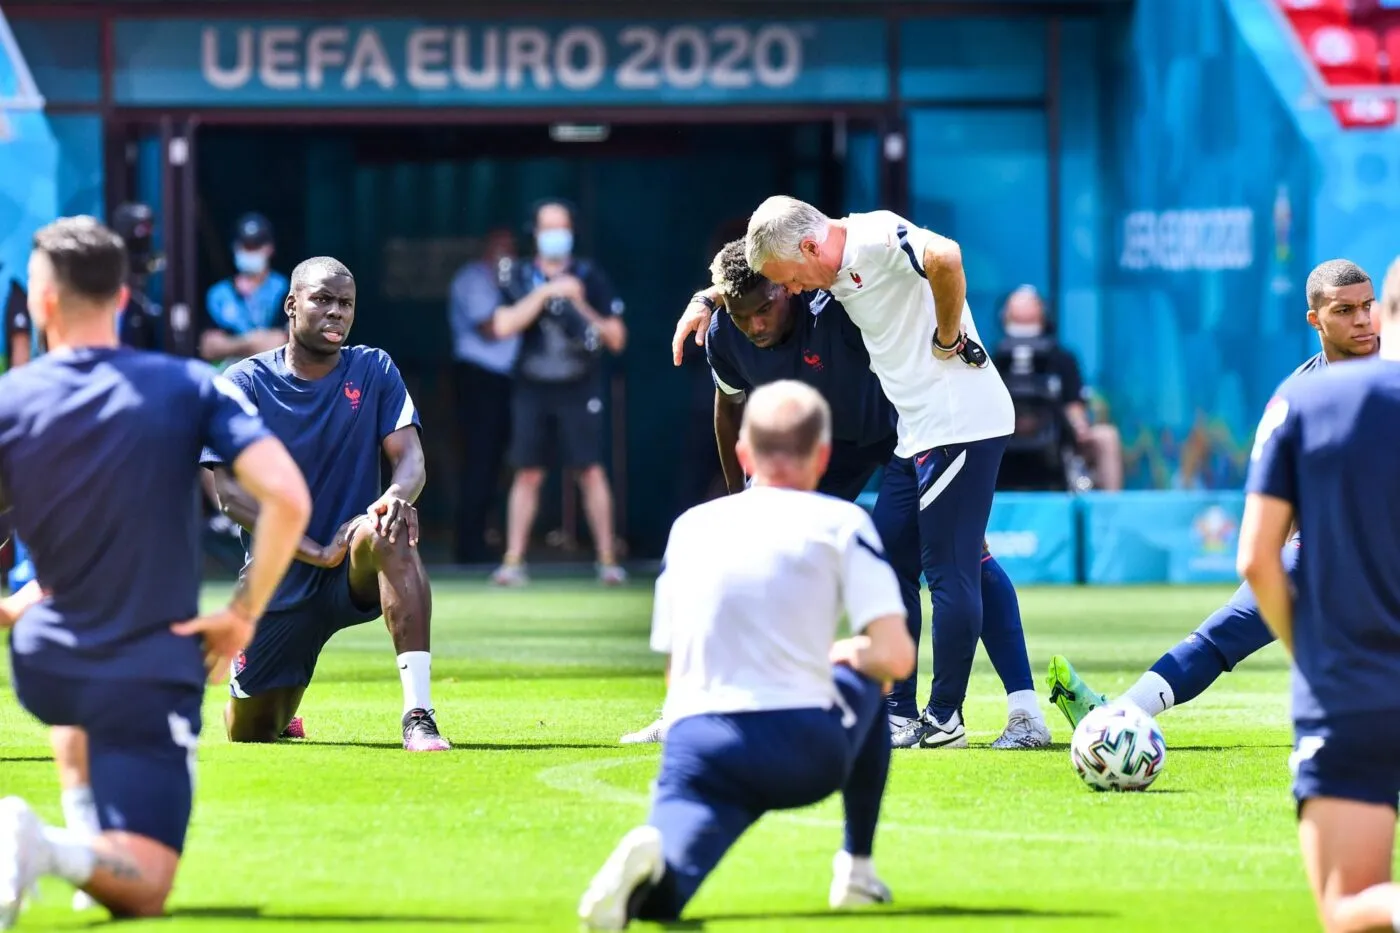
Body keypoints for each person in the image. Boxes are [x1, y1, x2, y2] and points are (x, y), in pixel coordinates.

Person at [0, 215, 310, 924]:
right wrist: (242, 616)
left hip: (47, 661)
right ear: (120, 299)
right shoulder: (187, 386)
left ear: (43, 302)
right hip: (150, 664)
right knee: (145, 890)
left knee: (75, 677)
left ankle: (84, 840)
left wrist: (16, 606)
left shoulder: (11, 399)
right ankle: (46, 844)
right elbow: (289, 498)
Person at [627, 239, 1049, 750]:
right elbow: (729, 409)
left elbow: (891, 268)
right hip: (826, 446)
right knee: (754, 555)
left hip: (902, 433)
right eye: (742, 315)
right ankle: (696, 705)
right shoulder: (723, 334)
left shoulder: (832, 300)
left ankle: (1023, 710)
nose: (756, 324)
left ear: (788, 286)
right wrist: (742, 498)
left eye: (765, 308)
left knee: (963, 557)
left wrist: (709, 294)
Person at [578, 381, 914, 931]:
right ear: (823, 456)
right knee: (868, 672)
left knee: (667, 892)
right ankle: (856, 869)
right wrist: (846, 651)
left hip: (698, 744)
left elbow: (674, 666)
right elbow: (897, 658)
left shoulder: (690, 528)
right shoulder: (842, 522)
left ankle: (649, 861)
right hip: (798, 745)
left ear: (743, 453)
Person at [1045, 259, 1380, 729]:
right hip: (1326, 545)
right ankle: (1118, 716)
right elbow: (1278, 513)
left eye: (1368, 306)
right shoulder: (1296, 398)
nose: (1363, 319)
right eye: (1345, 310)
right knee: (1234, 622)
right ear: (1315, 319)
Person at [201, 256, 450, 752]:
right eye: (322, 299)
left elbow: (411, 460)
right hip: (283, 572)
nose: (336, 312)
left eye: (346, 304)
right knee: (250, 732)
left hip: (354, 556)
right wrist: (315, 550)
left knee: (389, 526)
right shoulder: (242, 383)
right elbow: (229, 494)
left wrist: (395, 498)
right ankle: (279, 707)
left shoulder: (373, 368)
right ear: (292, 305)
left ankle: (418, 715)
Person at [1236, 255, 1400, 933]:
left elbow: (1256, 556)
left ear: (1384, 310)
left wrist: (1313, 654)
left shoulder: (1301, 401)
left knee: (1348, 904)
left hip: (1352, 686)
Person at [488, 200, 628, 587]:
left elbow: (616, 338)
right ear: (535, 232)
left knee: (590, 470)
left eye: (561, 227)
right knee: (528, 472)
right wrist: (547, 293)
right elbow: (502, 326)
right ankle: (513, 561)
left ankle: (607, 560)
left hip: (579, 385)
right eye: (548, 227)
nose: (555, 235)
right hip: (531, 386)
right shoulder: (518, 276)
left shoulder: (588, 275)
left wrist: (577, 299)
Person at [993, 285, 1123, 492]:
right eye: (1018, 312)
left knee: (1106, 437)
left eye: (1030, 308)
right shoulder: (992, 359)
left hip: (1058, 442)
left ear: (1042, 316)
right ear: (1005, 317)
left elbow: (1074, 407)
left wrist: (1078, 426)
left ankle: (1106, 517)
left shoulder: (1062, 359)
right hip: (1001, 442)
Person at [447, 228, 519, 564]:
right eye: (499, 247)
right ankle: (469, 546)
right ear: (486, 248)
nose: (506, 254)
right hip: (478, 379)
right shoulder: (472, 279)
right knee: (478, 461)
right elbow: (491, 328)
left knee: (495, 465)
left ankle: (482, 539)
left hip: (506, 381)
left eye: (510, 248)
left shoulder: (514, 282)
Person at [199, 213, 289, 368]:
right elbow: (209, 347)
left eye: (256, 246)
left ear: (270, 248)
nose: (250, 251)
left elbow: (284, 342)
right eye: (246, 246)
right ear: (235, 247)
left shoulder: (284, 289)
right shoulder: (219, 294)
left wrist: (231, 345)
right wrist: (253, 342)